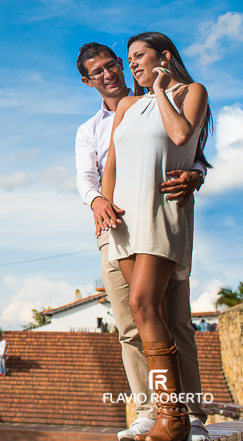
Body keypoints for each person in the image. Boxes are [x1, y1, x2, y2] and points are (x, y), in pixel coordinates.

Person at [76, 38, 211, 441]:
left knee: (172, 318)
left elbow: (189, 147)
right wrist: (103, 203)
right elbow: (98, 173)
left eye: (116, 63)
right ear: (88, 82)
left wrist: (197, 174)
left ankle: (188, 414)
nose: (113, 72)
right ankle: (151, 413)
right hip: (117, 221)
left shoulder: (180, 95)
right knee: (132, 323)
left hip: (161, 212)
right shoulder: (99, 124)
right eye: (98, 71)